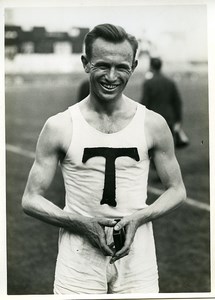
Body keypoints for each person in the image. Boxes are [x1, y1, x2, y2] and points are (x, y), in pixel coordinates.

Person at [22, 23, 186, 294]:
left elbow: (177, 190)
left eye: (121, 67)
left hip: (138, 258)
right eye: (102, 65)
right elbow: (31, 199)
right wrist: (79, 222)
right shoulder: (59, 126)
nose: (111, 76)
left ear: (133, 66)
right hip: (78, 260)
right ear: (86, 63)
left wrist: (139, 218)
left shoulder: (153, 124)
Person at [141, 57, 189, 147]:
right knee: (167, 148)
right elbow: (177, 102)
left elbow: (144, 103)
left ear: (151, 67)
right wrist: (178, 120)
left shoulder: (148, 83)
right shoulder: (170, 82)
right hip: (169, 119)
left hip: (153, 119)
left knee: (153, 149)